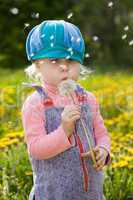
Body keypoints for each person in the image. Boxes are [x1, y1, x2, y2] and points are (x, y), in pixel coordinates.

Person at [21, 20, 111, 200]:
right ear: (38, 65)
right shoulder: (35, 103)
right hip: (53, 193)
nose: (64, 66)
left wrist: (103, 149)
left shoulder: (88, 99)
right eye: (54, 60)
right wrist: (64, 131)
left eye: (70, 60)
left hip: (90, 193)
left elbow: (101, 133)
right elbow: (36, 149)